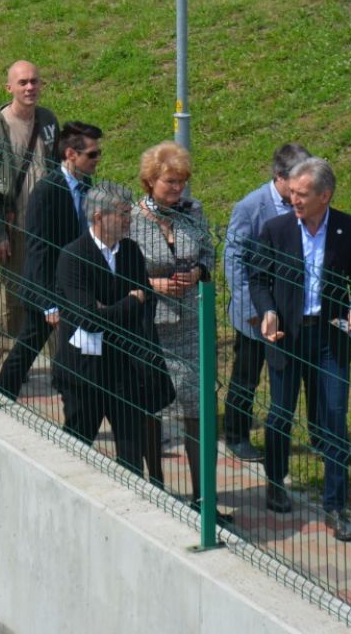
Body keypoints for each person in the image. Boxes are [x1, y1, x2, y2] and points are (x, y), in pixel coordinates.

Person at [248, 157, 351, 543]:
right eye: (292, 193)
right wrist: (268, 311)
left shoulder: (348, 229)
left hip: (328, 338)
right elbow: (258, 279)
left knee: (334, 417)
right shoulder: (277, 229)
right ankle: (275, 483)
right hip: (288, 336)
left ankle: (335, 504)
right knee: (280, 414)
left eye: (302, 194)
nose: (294, 200)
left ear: (325, 195)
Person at [52, 182, 172, 477]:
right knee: (76, 449)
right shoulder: (73, 256)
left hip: (124, 368)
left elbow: (147, 300)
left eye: (129, 213)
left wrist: (111, 309)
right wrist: (130, 301)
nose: (129, 220)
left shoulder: (130, 251)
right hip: (85, 374)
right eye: (123, 214)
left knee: (131, 457)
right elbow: (89, 319)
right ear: (99, 217)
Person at [129, 142, 214, 495]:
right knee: (152, 405)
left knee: (197, 408)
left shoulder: (193, 212)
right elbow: (120, 270)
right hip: (151, 326)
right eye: (170, 182)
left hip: (191, 325)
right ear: (150, 181)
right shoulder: (131, 219)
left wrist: (196, 273)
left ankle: (203, 496)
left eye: (181, 181)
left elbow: (209, 255)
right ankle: (156, 485)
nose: (178, 188)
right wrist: (153, 284)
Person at [0, 121, 102, 400]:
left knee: (78, 351)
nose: (97, 160)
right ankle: (2, 395)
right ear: (70, 154)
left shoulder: (85, 186)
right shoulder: (46, 191)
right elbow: (38, 250)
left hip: (74, 285)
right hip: (47, 289)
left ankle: (76, 399)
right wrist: (48, 303)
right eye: (92, 154)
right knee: (27, 348)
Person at [223, 143, 313, 463]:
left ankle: (316, 438)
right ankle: (236, 436)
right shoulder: (250, 207)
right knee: (247, 376)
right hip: (255, 313)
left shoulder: (306, 202)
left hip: (294, 310)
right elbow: (234, 260)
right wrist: (252, 312)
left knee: (302, 376)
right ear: (279, 176)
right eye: (297, 180)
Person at [0, 60, 59, 356]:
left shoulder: (48, 120)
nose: (30, 87)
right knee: (14, 294)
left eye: (35, 81)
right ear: (9, 87)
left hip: (48, 227)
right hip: (15, 226)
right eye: (23, 82)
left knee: (54, 294)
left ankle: (59, 362)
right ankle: (10, 359)